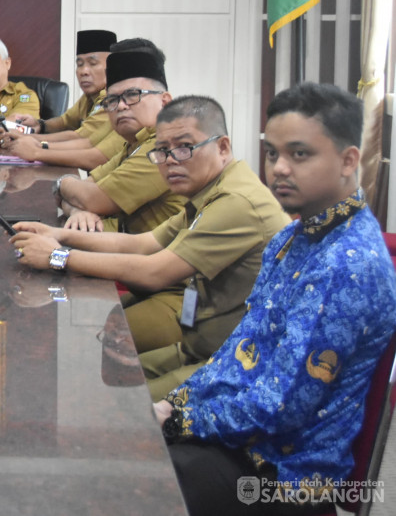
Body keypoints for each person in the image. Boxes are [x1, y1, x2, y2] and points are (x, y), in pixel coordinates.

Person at [155, 83, 396, 516]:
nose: (279, 168)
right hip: (243, 444)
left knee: (136, 483)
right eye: (272, 153)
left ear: (348, 160)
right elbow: (239, 353)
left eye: (299, 154)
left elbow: (280, 406)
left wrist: (179, 422)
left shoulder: (348, 265)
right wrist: (175, 404)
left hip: (285, 479)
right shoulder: (292, 237)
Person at [12, 96, 288, 398]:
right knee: (97, 375)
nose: (170, 161)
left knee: (123, 404)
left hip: (234, 361)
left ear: (223, 147)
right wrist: (59, 235)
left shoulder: (236, 202)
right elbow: (143, 244)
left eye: (184, 148)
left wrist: (56, 256)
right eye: (162, 151)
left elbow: (153, 271)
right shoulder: (211, 189)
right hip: (198, 345)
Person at [52, 49, 184, 234]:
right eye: (112, 100)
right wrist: (76, 210)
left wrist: (62, 183)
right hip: (122, 245)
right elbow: (85, 193)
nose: (121, 106)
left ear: (165, 102)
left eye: (132, 95)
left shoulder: (165, 147)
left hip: (156, 256)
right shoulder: (132, 144)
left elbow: (90, 198)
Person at [0, 29, 118, 169]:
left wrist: (33, 143)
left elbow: (82, 138)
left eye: (92, 63)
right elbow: (65, 121)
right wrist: (40, 125)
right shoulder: (89, 97)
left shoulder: (113, 99)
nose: (84, 71)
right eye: (79, 64)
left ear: (112, 67)